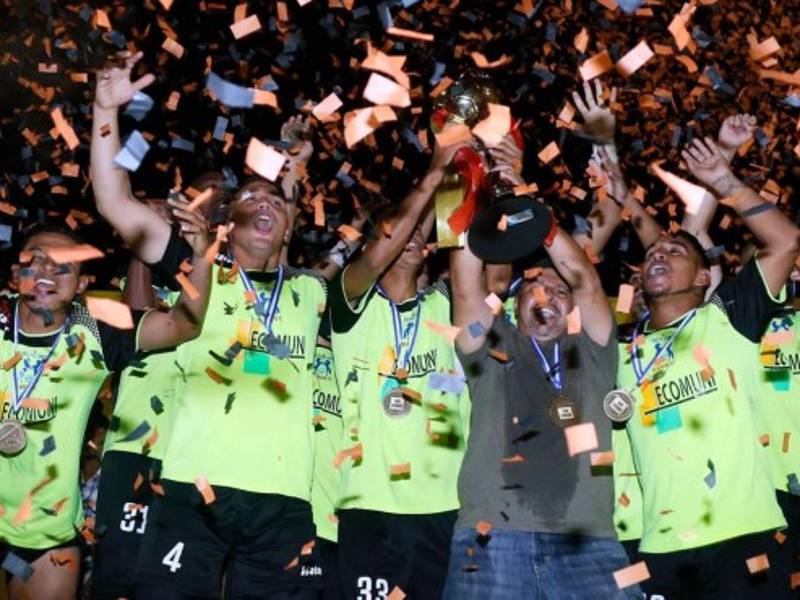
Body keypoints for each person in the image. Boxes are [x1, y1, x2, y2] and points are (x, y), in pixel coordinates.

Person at [91, 51, 327, 599]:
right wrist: (106, 114)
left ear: (288, 222)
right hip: (190, 492)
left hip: (285, 500)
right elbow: (114, 202)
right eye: (250, 198)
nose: (264, 204)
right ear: (228, 219)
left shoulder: (310, 292)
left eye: (275, 200)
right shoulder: (194, 269)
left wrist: (297, 163)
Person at [616, 136, 800, 598]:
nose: (658, 253)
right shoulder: (618, 350)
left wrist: (726, 183)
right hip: (659, 546)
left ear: (704, 278)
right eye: (653, 253)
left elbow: (785, 241)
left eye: (676, 252)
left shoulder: (727, 319)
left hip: (745, 537)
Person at [0, 205, 211, 600]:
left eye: (63, 266)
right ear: (15, 274)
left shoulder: (96, 330)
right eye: (36, 261)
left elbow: (184, 324)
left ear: (81, 283)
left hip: (44, 540)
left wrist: (201, 256)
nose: (47, 272)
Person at [444, 195, 637, 597]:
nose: (547, 293)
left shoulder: (594, 348)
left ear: (575, 309)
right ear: (515, 304)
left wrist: (538, 222)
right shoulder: (492, 345)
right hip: (490, 537)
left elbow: (586, 278)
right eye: (535, 285)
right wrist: (472, 204)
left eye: (558, 289)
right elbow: (465, 284)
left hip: (590, 542)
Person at [329, 138, 469, 599]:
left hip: (445, 506)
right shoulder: (351, 307)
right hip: (368, 504)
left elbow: (483, 270)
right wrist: (434, 172)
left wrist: (461, 180)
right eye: (395, 232)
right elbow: (384, 245)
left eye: (416, 234)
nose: (410, 237)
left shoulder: (447, 305)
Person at [91, 181, 227, 600]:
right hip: (134, 447)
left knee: (176, 581)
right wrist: (142, 243)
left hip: (192, 453)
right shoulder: (140, 283)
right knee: (118, 574)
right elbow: (136, 317)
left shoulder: (219, 278)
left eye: (215, 198)